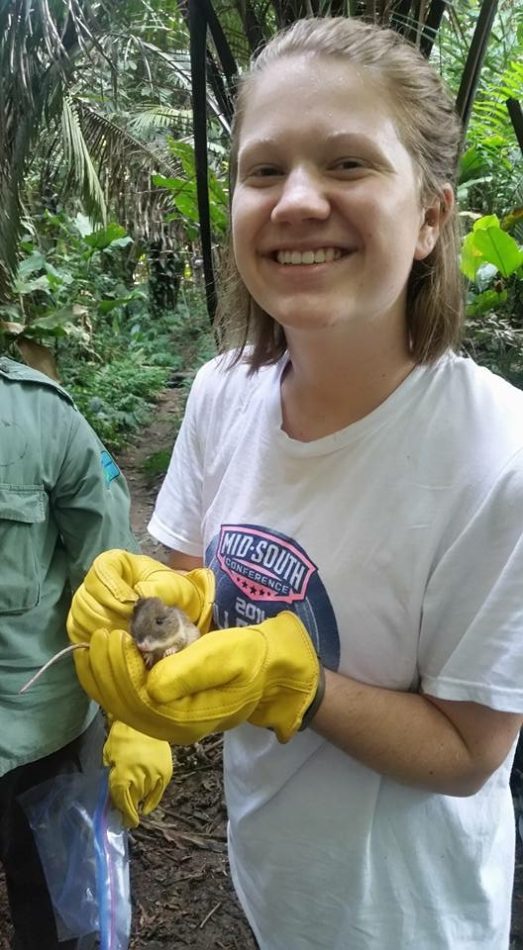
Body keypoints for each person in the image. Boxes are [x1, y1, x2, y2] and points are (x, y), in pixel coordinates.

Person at [67, 17, 523, 949]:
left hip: (409, 919)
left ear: (432, 216)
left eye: (348, 164)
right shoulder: (221, 391)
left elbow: (468, 755)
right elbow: (187, 573)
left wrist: (296, 683)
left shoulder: (498, 455)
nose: (296, 202)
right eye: (263, 170)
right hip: (271, 884)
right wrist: (140, 681)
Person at [0, 356, 173, 950]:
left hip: (40, 741)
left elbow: (112, 582)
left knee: (64, 922)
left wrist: (137, 716)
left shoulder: (39, 415)